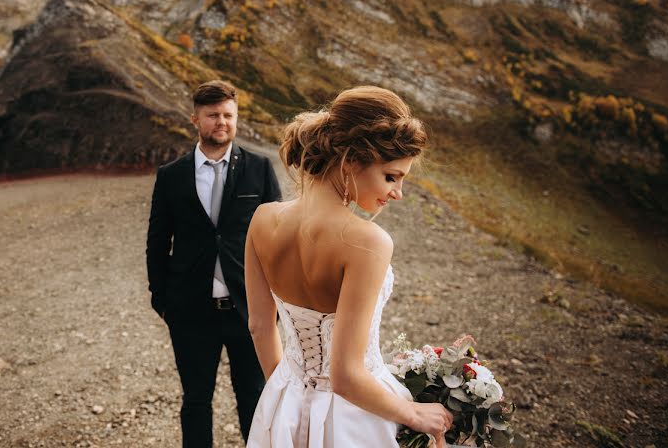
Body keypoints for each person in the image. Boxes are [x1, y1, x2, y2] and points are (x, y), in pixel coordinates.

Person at [244, 86, 454, 447]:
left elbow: (260, 327)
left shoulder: (262, 219)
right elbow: (346, 377)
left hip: (283, 401)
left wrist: (289, 395)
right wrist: (415, 414)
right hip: (353, 420)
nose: (397, 193)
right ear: (352, 161)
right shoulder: (368, 242)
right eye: (391, 176)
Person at [146, 80, 283, 448]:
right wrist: (162, 300)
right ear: (196, 119)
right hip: (191, 313)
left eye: (228, 115)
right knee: (195, 401)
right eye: (212, 115)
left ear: (236, 119)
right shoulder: (171, 176)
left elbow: (279, 241)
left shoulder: (259, 169)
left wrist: (277, 307)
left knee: (255, 401)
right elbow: (157, 242)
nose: (221, 122)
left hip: (250, 312)